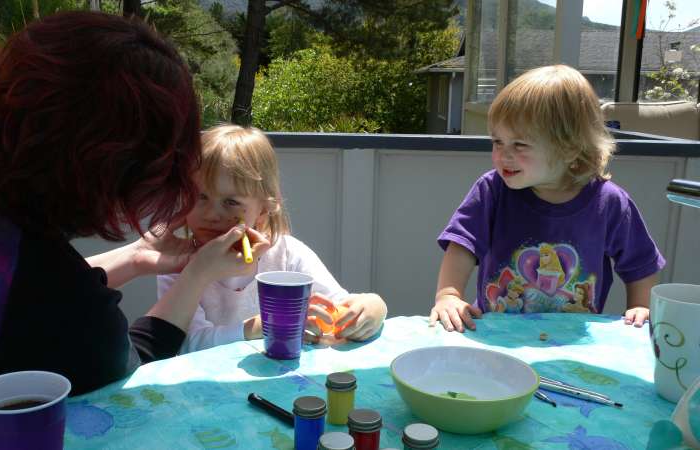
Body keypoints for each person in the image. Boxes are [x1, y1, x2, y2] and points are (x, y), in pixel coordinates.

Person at [0, 12, 268, 448]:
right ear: (115, 172)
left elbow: (16, 289)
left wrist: (135, 257)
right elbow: (126, 364)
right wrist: (198, 274)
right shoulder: (56, 302)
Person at [429, 65, 665, 333]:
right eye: (497, 142)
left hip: (571, 341)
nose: (503, 155)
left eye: (519, 145)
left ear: (569, 149)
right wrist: (448, 295)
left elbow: (641, 263)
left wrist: (640, 306)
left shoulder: (609, 202)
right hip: (498, 334)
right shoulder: (492, 190)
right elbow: (462, 247)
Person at [156, 124, 388, 353]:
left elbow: (339, 307)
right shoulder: (175, 264)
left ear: (264, 208)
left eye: (231, 202)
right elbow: (188, 344)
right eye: (200, 197)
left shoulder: (287, 254)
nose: (211, 214)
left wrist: (374, 306)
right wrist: (263, 326)